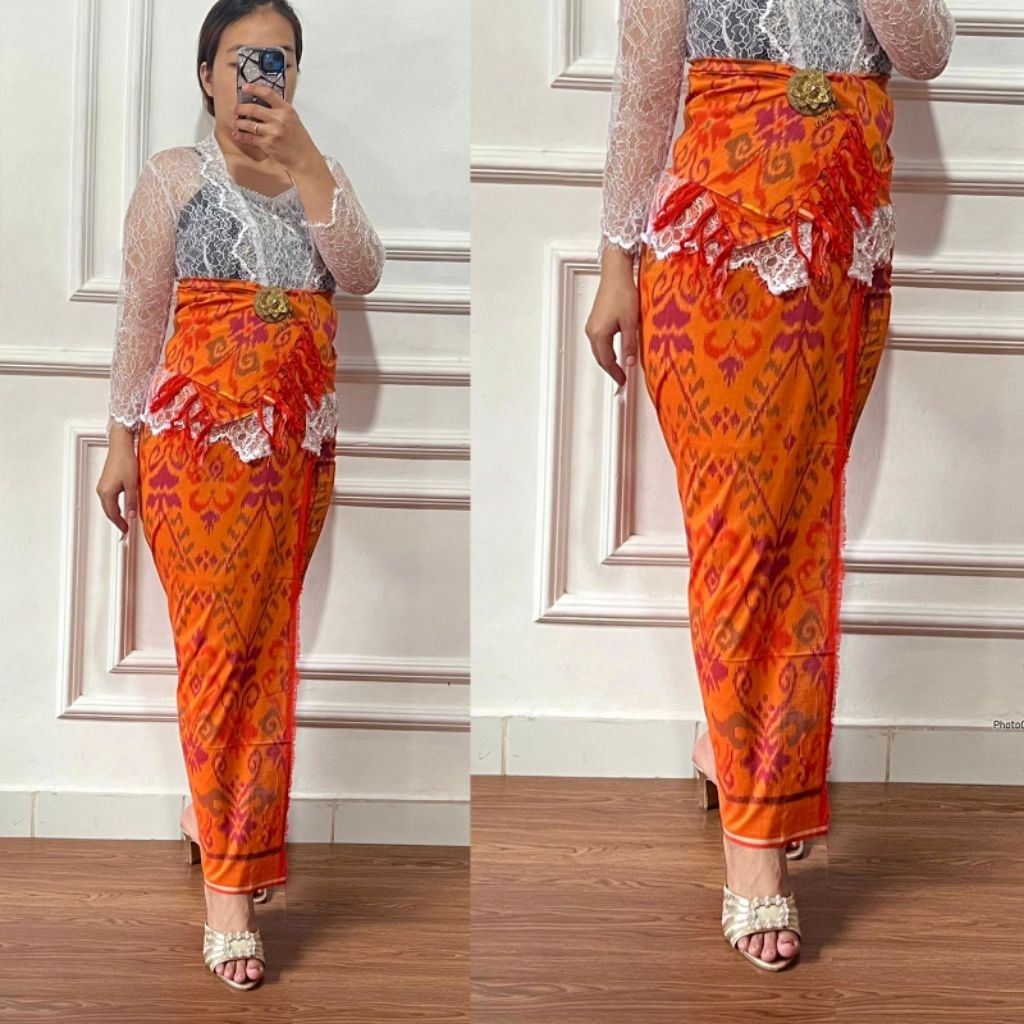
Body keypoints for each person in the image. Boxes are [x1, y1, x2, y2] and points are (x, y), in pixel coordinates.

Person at [586, 0, 954, 971]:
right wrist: (614, 268)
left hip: (841, 262)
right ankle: (753, 851)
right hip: (709, 259)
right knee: (741, 542)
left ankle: (735, 755)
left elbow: (925, 51)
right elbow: (644, 97)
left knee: (796, 533)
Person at [95, 0, 384, 990]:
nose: (263, 75)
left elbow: (363, 273)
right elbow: (140, 320)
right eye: (244, 59)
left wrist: (307, 165)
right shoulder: (172, 180)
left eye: (281, 60)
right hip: (190, 453)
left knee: (263, 651)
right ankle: (230, 890)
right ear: (206, 73)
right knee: (217, 659)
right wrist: (119, 444)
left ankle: (217, 822)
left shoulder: (320, 175)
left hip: (293, 455)